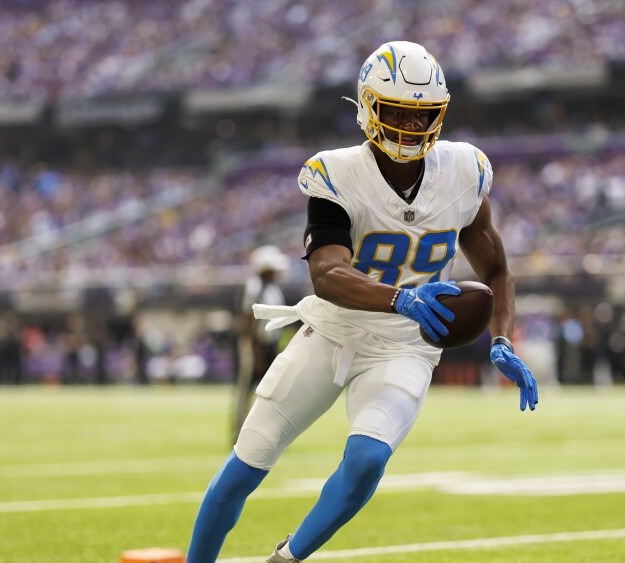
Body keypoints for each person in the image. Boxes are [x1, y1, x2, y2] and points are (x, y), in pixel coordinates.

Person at [186, 41, 538, 563]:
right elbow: (327, 273)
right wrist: (401, 298)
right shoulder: (337, 173)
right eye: (397, 112)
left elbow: (497, 270)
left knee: (368, 460)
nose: (411, 127)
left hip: (405, 346)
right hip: (332, 331)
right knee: (245, 466)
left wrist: (502, 338)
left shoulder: (464, 171)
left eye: (422, 115)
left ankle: (286, 558)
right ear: (369, 107)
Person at [232, 245, 289, 443]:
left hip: (269, 344)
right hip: (255, 344)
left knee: (273, 390)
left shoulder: (272, 288)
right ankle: (240, 434)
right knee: (246, 389)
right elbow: (249, 318)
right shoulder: (255, 286)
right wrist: (254, 350)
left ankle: (267, 433)